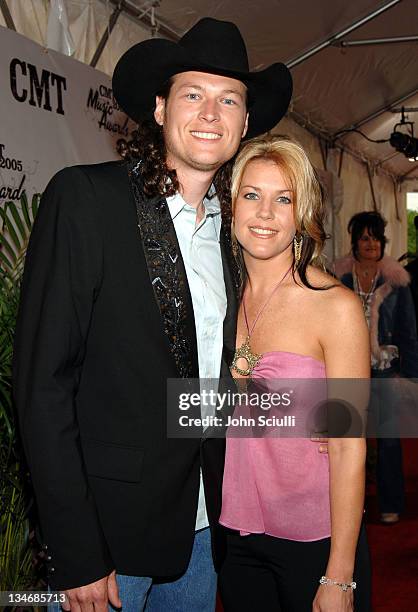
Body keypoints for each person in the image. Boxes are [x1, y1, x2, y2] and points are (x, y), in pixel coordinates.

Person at [12, 17, 292, 612]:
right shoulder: (85, 200)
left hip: (202, 533)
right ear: (161, 109)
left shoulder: (239, 238)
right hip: (107, 542)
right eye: (194, 94)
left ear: (245, 125)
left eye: (229, 99)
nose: (211, 113)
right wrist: (76, 550)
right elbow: (42, 388)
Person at [218, 135, 371, 611]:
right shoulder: (217, 297)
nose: (265, 213)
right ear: (231, 207)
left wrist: (339, 576)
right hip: (235, 535)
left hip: (316, 539)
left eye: (282, 199)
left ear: (301, 214)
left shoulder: (335, 308)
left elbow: (348, 446)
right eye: (252, 195)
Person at [334, 211, 418, 524]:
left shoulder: (397, 282)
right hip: (347, 369)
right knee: (346, 438)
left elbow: (409, 333)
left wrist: (409, 377)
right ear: (355, 242)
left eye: (376, 238)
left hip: (384, 370)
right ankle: (347, 506)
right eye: (365, 238)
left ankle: (391, 502)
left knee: (389, 440)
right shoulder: (338, 279)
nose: (371, 244)